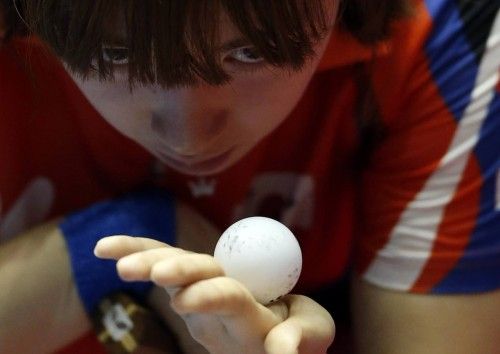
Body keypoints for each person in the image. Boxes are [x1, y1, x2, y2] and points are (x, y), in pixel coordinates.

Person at [0, 0, 499, 353]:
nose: (188, 136)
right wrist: (111, 248)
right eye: (116, 54)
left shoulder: (446, 42)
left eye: (250, 52)